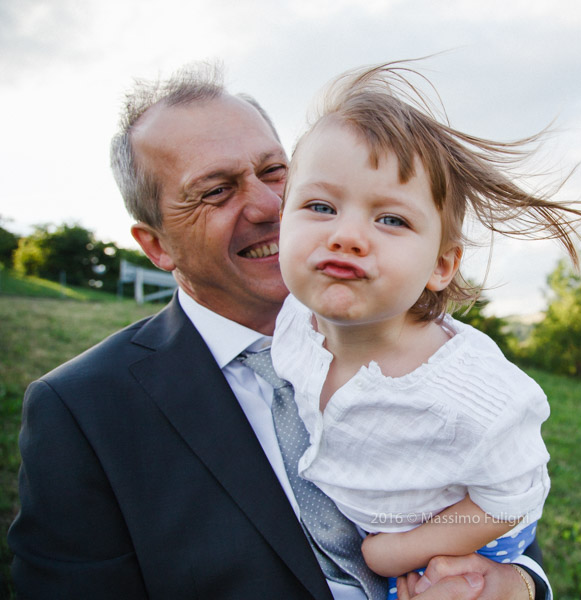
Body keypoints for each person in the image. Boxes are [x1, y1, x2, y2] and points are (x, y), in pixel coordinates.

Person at [6, 62, 551, 600]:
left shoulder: (419, 337)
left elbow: (495, 494)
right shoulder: (82, 410)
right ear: (157, 246)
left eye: (274, 172)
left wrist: (514, 585)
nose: (270, 206)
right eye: (216, 190)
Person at [271, 62, 581, 599]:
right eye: (320, 206)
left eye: (391, 219)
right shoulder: (292, 322)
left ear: (442, 265)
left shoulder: (468, 387)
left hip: (460, 542)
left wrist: (397, 549)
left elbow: (513, 493)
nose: (347, 235)